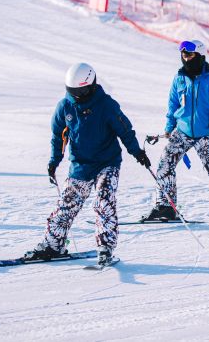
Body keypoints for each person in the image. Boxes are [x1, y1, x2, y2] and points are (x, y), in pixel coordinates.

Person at [24, 63, 151, 266]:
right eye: (72, 91)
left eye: (81, 91)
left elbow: (125, 130)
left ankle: (105, 247)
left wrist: (137, 152)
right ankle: (52, 245)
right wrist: (53, 161)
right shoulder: (65, 106)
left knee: (104, 201)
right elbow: (58, 136)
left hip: (106, 163)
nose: (77, 96)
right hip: (80, 164)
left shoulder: (106, 105)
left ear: (91, 85)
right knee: (66, 204)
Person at [141, 40, 209, 228]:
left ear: (200, 56)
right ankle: (166, 207)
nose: (186, 57)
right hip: (182, 132)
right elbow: (173, 105)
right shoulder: (179, 79)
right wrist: (168, 128)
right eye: (183, 54)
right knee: (164, 164)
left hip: (205, 135)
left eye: (190, 54)